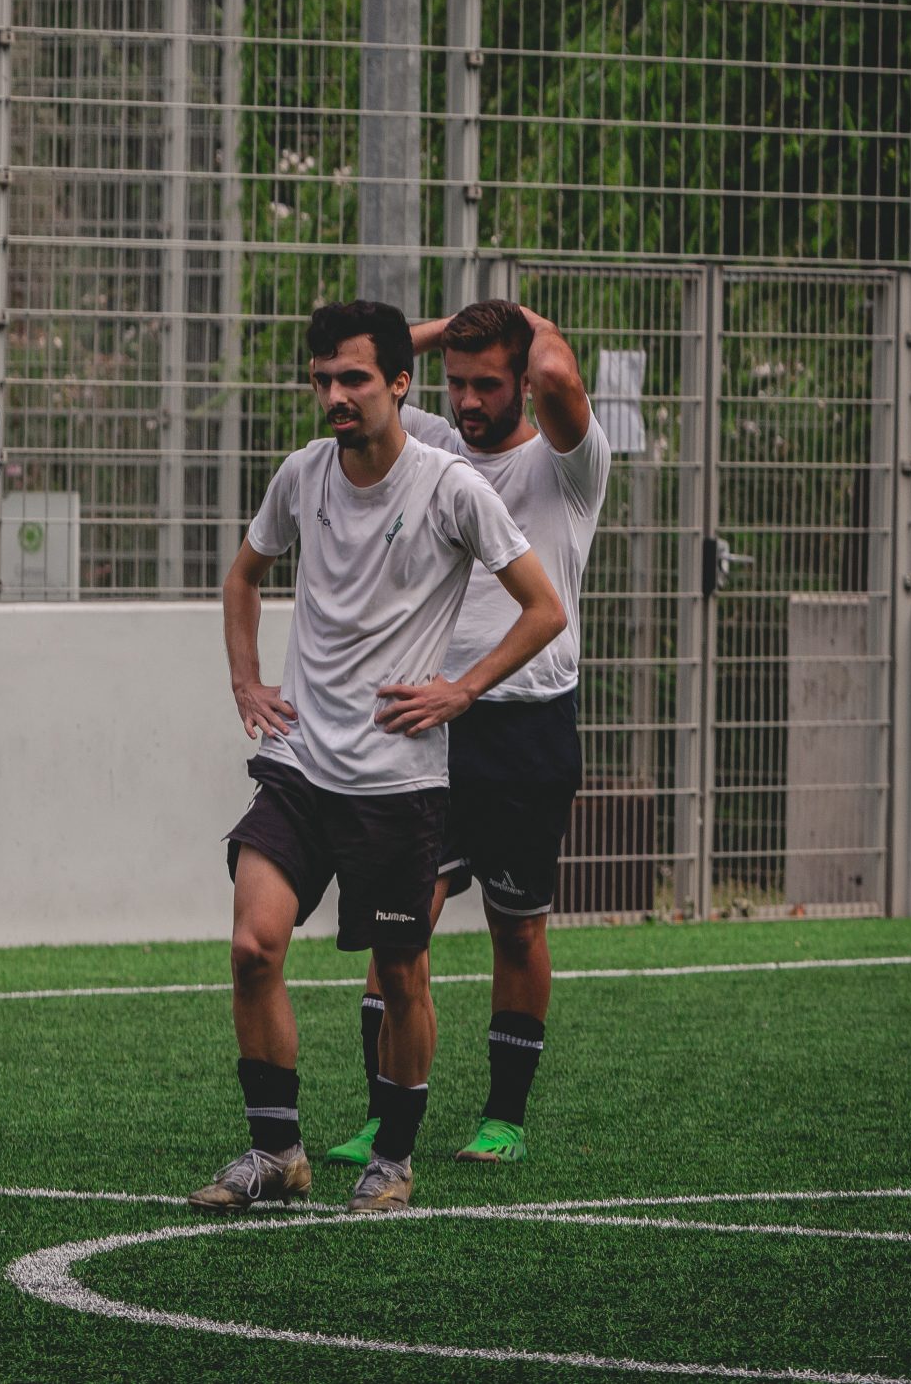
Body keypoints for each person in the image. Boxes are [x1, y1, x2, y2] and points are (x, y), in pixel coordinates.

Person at [193, 299, 564, 1216]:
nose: (334, 395)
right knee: (252, 946)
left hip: (397, 782)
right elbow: (243, 575)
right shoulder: (301, 475)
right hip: (299, 763)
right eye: (322, 378)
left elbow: (544, 608)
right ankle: (276, 1151)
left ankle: (392, 1158)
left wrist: (461, 689)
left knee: (402, 972)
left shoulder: (450, 487)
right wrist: (247, 681)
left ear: (399, 383)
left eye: (353, 377)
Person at [326, 299, 606, 1170]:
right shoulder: (434, 447)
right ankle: (385, 1113)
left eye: (490, 383)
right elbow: (358, 374)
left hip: (528, 726)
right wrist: (440, 330)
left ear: (522, 377)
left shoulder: (572, 463)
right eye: (457, 383)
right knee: (396, 927)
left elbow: (559, 373)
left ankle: (504, 1115)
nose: (470, 401)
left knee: (517, 928)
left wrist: (514, 316)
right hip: (427, 727)